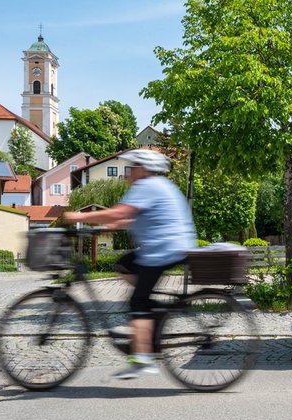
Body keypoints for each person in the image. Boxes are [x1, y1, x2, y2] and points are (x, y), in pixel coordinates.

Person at [64, 149, 196, 379]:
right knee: (124, 265)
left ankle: (143, 359)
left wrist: (80, 217)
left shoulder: (148, 186)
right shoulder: (160, 186)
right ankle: (151, 311)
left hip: (162, 250)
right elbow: (131, 218)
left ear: (144, 169)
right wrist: (105, 227)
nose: (129, 172)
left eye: (132, 167)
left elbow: (121, 212)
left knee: (137, 301)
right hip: (167, 246)